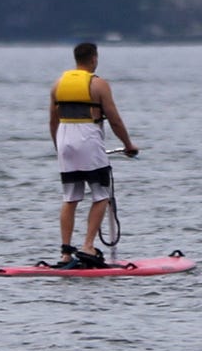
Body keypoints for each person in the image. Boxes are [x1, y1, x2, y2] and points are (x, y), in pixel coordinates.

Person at [49, 41, 138, 268]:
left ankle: (66, 253)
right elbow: (115, 119)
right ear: (94, 59)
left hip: (64, 139)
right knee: (101, 194)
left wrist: (58, 147)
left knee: (70, 197)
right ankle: (88, 246)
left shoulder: (57, 84)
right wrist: (128, 144)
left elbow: (52, 121)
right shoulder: (98, 85)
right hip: (88, 138)